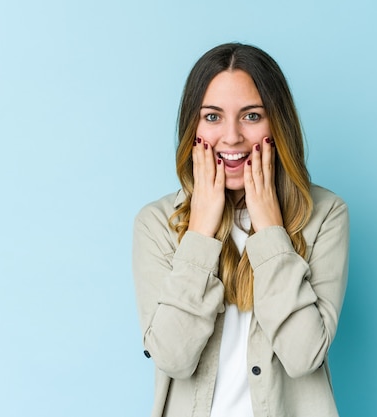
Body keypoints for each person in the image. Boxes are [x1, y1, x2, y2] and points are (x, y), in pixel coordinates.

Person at [132, 42, 349, 417]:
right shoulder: (157, 224)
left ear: (277, 124)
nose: (231, 137)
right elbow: (172, 357)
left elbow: (304, 356)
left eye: (251, 116)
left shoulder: (325, 215)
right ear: (193, 127)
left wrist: (270, 232)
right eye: (212, 117)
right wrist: (199, 233)